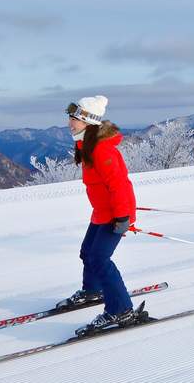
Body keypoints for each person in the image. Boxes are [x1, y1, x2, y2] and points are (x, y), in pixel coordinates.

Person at [54, 95, 140, 335]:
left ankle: (121, 309)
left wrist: (123, 217)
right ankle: (92, 291)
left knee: (100, 258)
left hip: (116, 214)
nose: (70, 122)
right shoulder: (87, 146)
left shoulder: (102, 150)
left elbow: (119, 185)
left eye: (75, 118)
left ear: (88, 122)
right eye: (70, 118)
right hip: (102, 212)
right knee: (87, 253)